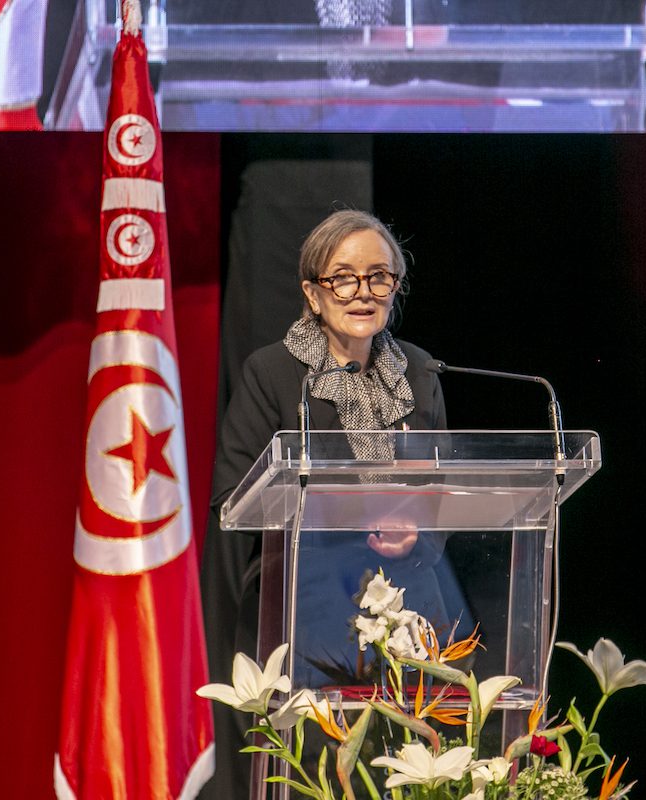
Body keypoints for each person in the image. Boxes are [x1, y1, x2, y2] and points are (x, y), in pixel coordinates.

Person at [200, 209, 468, 797]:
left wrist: (416, 535)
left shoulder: (421, 372)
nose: (362, 292)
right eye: (343, 277)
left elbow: (438, 499)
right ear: (312, 293)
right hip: (305, 616)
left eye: (379, 277)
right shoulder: (273, 374)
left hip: (412, 620)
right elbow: (231, 501)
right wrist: (336, 506)